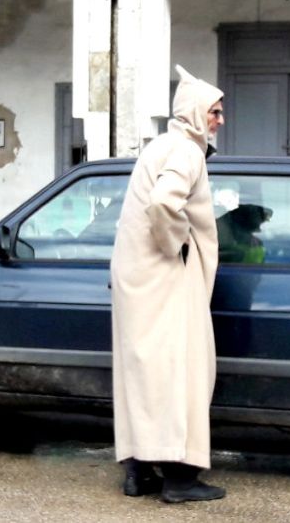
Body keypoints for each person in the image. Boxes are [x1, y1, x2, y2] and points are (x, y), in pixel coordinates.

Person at [110, 65, 226, 504]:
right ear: (195, 113)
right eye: (214, 111)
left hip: (137, 278)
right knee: (183, 373)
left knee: (144, 375)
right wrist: (178, 244)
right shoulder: (187, 151)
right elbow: (163, 203)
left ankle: (138, 472)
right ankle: (180, 479)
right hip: (164, 280)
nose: (219, 119)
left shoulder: (162, 145)